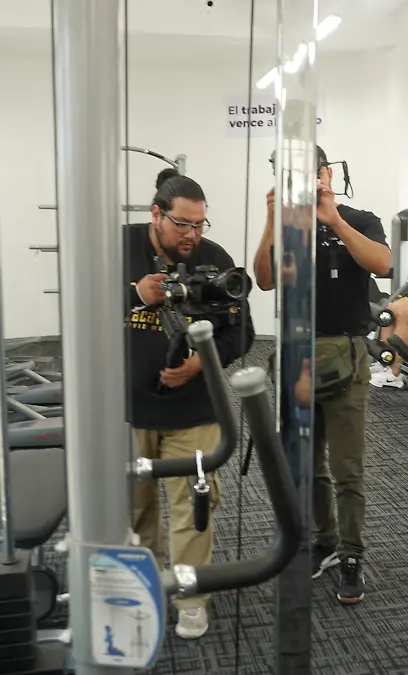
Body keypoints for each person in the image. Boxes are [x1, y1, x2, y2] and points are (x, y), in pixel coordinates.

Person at [253, 145, 391, 605]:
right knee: (308, 464)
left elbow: (383, 264)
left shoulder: (357, 218)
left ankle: (352, 552)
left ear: (325, 174)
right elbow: (265, 279)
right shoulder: (287, 226)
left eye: (306, 173)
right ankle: (325, 540)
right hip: (298, 357)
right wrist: (274, 220)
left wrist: (334, 219)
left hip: (347, 356)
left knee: (348, 467)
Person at [127, 168, 254, 639]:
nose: (192, 235)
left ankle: (191, 596)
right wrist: (135, 295)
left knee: (193, 511)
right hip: (128, 408)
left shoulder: (215, 258)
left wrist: (203, 361)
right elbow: (81, 312)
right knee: (133, 511)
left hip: (194, 410)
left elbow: (243, 331)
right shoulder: (118, 249)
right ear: (156, 214)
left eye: (200, 224)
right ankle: (142, 588)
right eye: (182, 224)